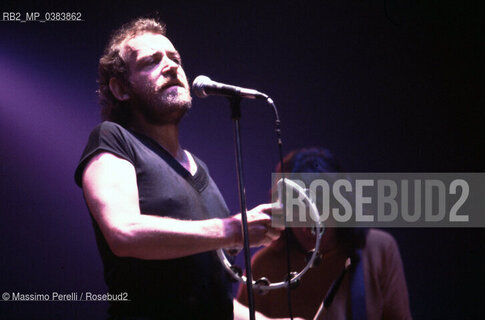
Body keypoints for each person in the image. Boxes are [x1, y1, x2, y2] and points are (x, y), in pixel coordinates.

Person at [74, 17, 283, 320]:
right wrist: (232, 229)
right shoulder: (112, 138)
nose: (171, 66)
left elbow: (213, 299)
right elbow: (123, 232)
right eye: (151, 61)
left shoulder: (202, 170)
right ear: (120, 89)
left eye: (175, 59)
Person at [237, 147, 412, 320]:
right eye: (296, 208)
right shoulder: (262, 266)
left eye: (318, 207)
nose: (307, 224)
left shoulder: (379, 248)